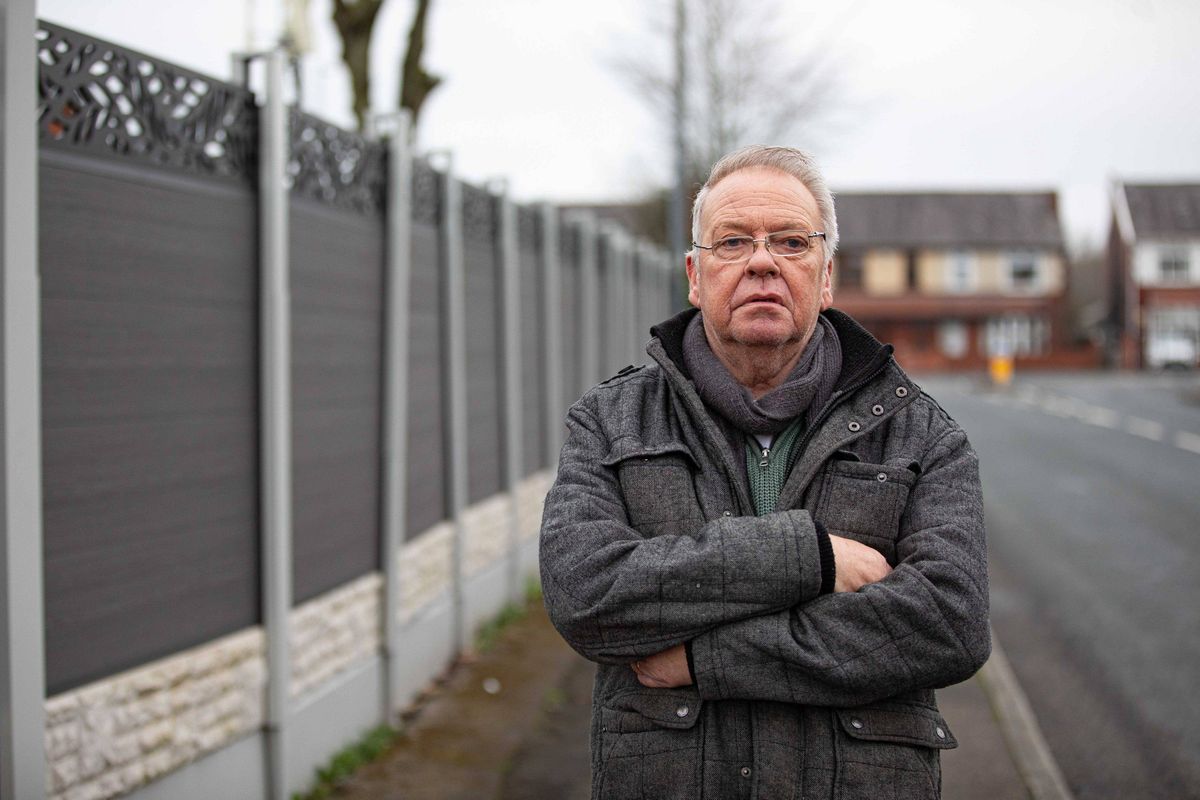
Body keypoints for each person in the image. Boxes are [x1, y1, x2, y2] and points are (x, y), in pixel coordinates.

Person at [539, 145, 990, 800]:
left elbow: (949, 622)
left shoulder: (922, 434)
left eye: (790, 242)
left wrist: (703, 659)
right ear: (695, 275)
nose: (761, 262)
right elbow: (586, 595)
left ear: (825, 276)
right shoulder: (610, 424)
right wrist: (809, 559)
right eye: (732, 243)